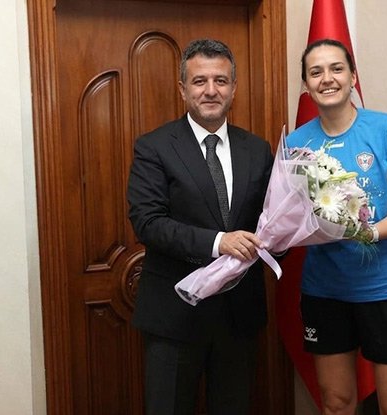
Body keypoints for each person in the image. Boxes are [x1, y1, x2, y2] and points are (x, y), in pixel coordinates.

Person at [127, 38, 273, 415]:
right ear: (182, 89)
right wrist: (219, 242)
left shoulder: (257, 150)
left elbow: (270, 222)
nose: (211, 90)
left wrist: (294, 233)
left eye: (220, 81)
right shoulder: (154, 147)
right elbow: (148, 223)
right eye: (199, 81)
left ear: (233, 88)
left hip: (238, 318)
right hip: (174, 316)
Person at [286, 38, 387, 415]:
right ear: (306, 84)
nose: (327, 78)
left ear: (353, 77)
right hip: (326, 290)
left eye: (337, 68)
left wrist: (369, 232)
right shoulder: (296, 144)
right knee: (336, 403)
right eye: (316, 72)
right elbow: (291, 215)